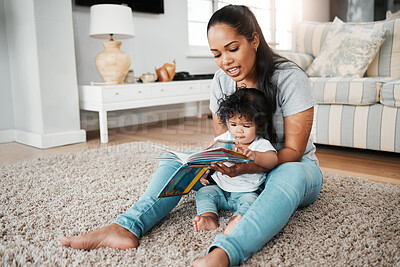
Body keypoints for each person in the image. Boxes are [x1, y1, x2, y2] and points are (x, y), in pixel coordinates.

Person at [60, 4, 323, 267]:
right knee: (174, 160)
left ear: (254, 40)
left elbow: (294, 153)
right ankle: (126, 228)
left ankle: (224, 252)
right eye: (217, 54)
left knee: (292, 172)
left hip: (285, 167)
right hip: (238, 178)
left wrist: (247, 167)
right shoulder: (221, 81)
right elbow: (224, 140)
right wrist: (212, 161)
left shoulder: (289, 78)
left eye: (233, 49)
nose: (226, 61)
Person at [193, 89, 278, 235]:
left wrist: (254, 155)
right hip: (220, 189)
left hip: (246, 192)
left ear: (260, 125)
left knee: (252, 203)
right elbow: (207, 151)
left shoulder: (260, 144)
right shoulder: (225, 138)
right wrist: (204, 168)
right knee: (203, 193)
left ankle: (235, 221)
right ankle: (209, 217)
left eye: (246, 126)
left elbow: (273, 160)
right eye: (233, 124)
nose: (238, 131)